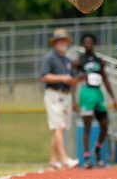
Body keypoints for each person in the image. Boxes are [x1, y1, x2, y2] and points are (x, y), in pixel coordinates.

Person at [74, 33, 117, 168]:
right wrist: (73, 100)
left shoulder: (99, 61)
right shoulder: (79, 61)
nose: (88, 44)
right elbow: (74, 81)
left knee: (104, 124)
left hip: (98, 93)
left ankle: (97, 150)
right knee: (86, 127)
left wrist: (113, 98)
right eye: (86, 42)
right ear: (83, 44)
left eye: (90, 42)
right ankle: (86, 158)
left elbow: (105, 79)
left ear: (93, 44)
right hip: (86, 93)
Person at [40, 28, 79, 170]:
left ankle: (53, 161)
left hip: (66, 95)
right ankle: (64, 159)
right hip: (54, 94)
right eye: (60, 40)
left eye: (64, 40)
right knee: (59, 126)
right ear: (55, 43)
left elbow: (72, 79)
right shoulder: (49, 57)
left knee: (60, 130)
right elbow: (44, 76)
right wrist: (62, 78)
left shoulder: (67, 60)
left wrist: (76, 81)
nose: (62, 43)